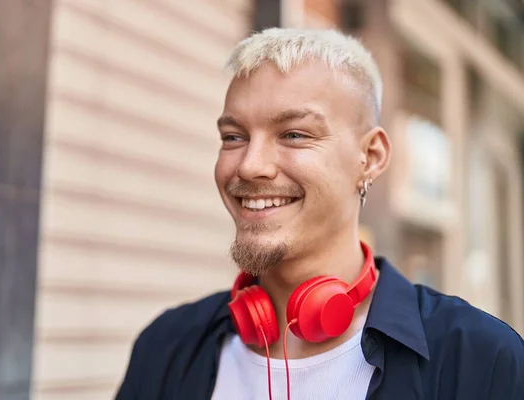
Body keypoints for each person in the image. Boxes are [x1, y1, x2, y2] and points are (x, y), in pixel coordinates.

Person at [115, 27, 524, 400]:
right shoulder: (165, 347)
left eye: (294, 134)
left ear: (370, 157)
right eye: (233, 137)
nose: (249, 165)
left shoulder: (480, 359)